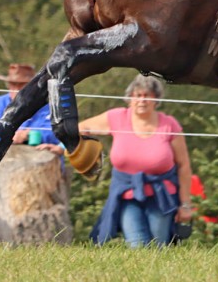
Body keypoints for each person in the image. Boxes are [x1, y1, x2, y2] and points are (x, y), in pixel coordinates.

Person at [82, 75, 195, 247]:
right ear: (130, 99)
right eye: (137, 95)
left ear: (156, 100)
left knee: (159, 245)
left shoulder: (169, 124)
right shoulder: (116, 118)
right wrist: (63, 146)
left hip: (161, 196)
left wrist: (185, 204)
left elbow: (184, 165)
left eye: (147, 96)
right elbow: (80, 128)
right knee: (137, 244)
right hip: (127, 194)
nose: (142, 100)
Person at [0, 63, 62, 156]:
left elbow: (56, 134)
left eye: (21, 85)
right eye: (12, 84)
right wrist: (4, 134)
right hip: (4, 157)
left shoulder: (48, 105)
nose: (16, 89)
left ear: (33, 86)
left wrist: (28, 135)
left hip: (38, 157)